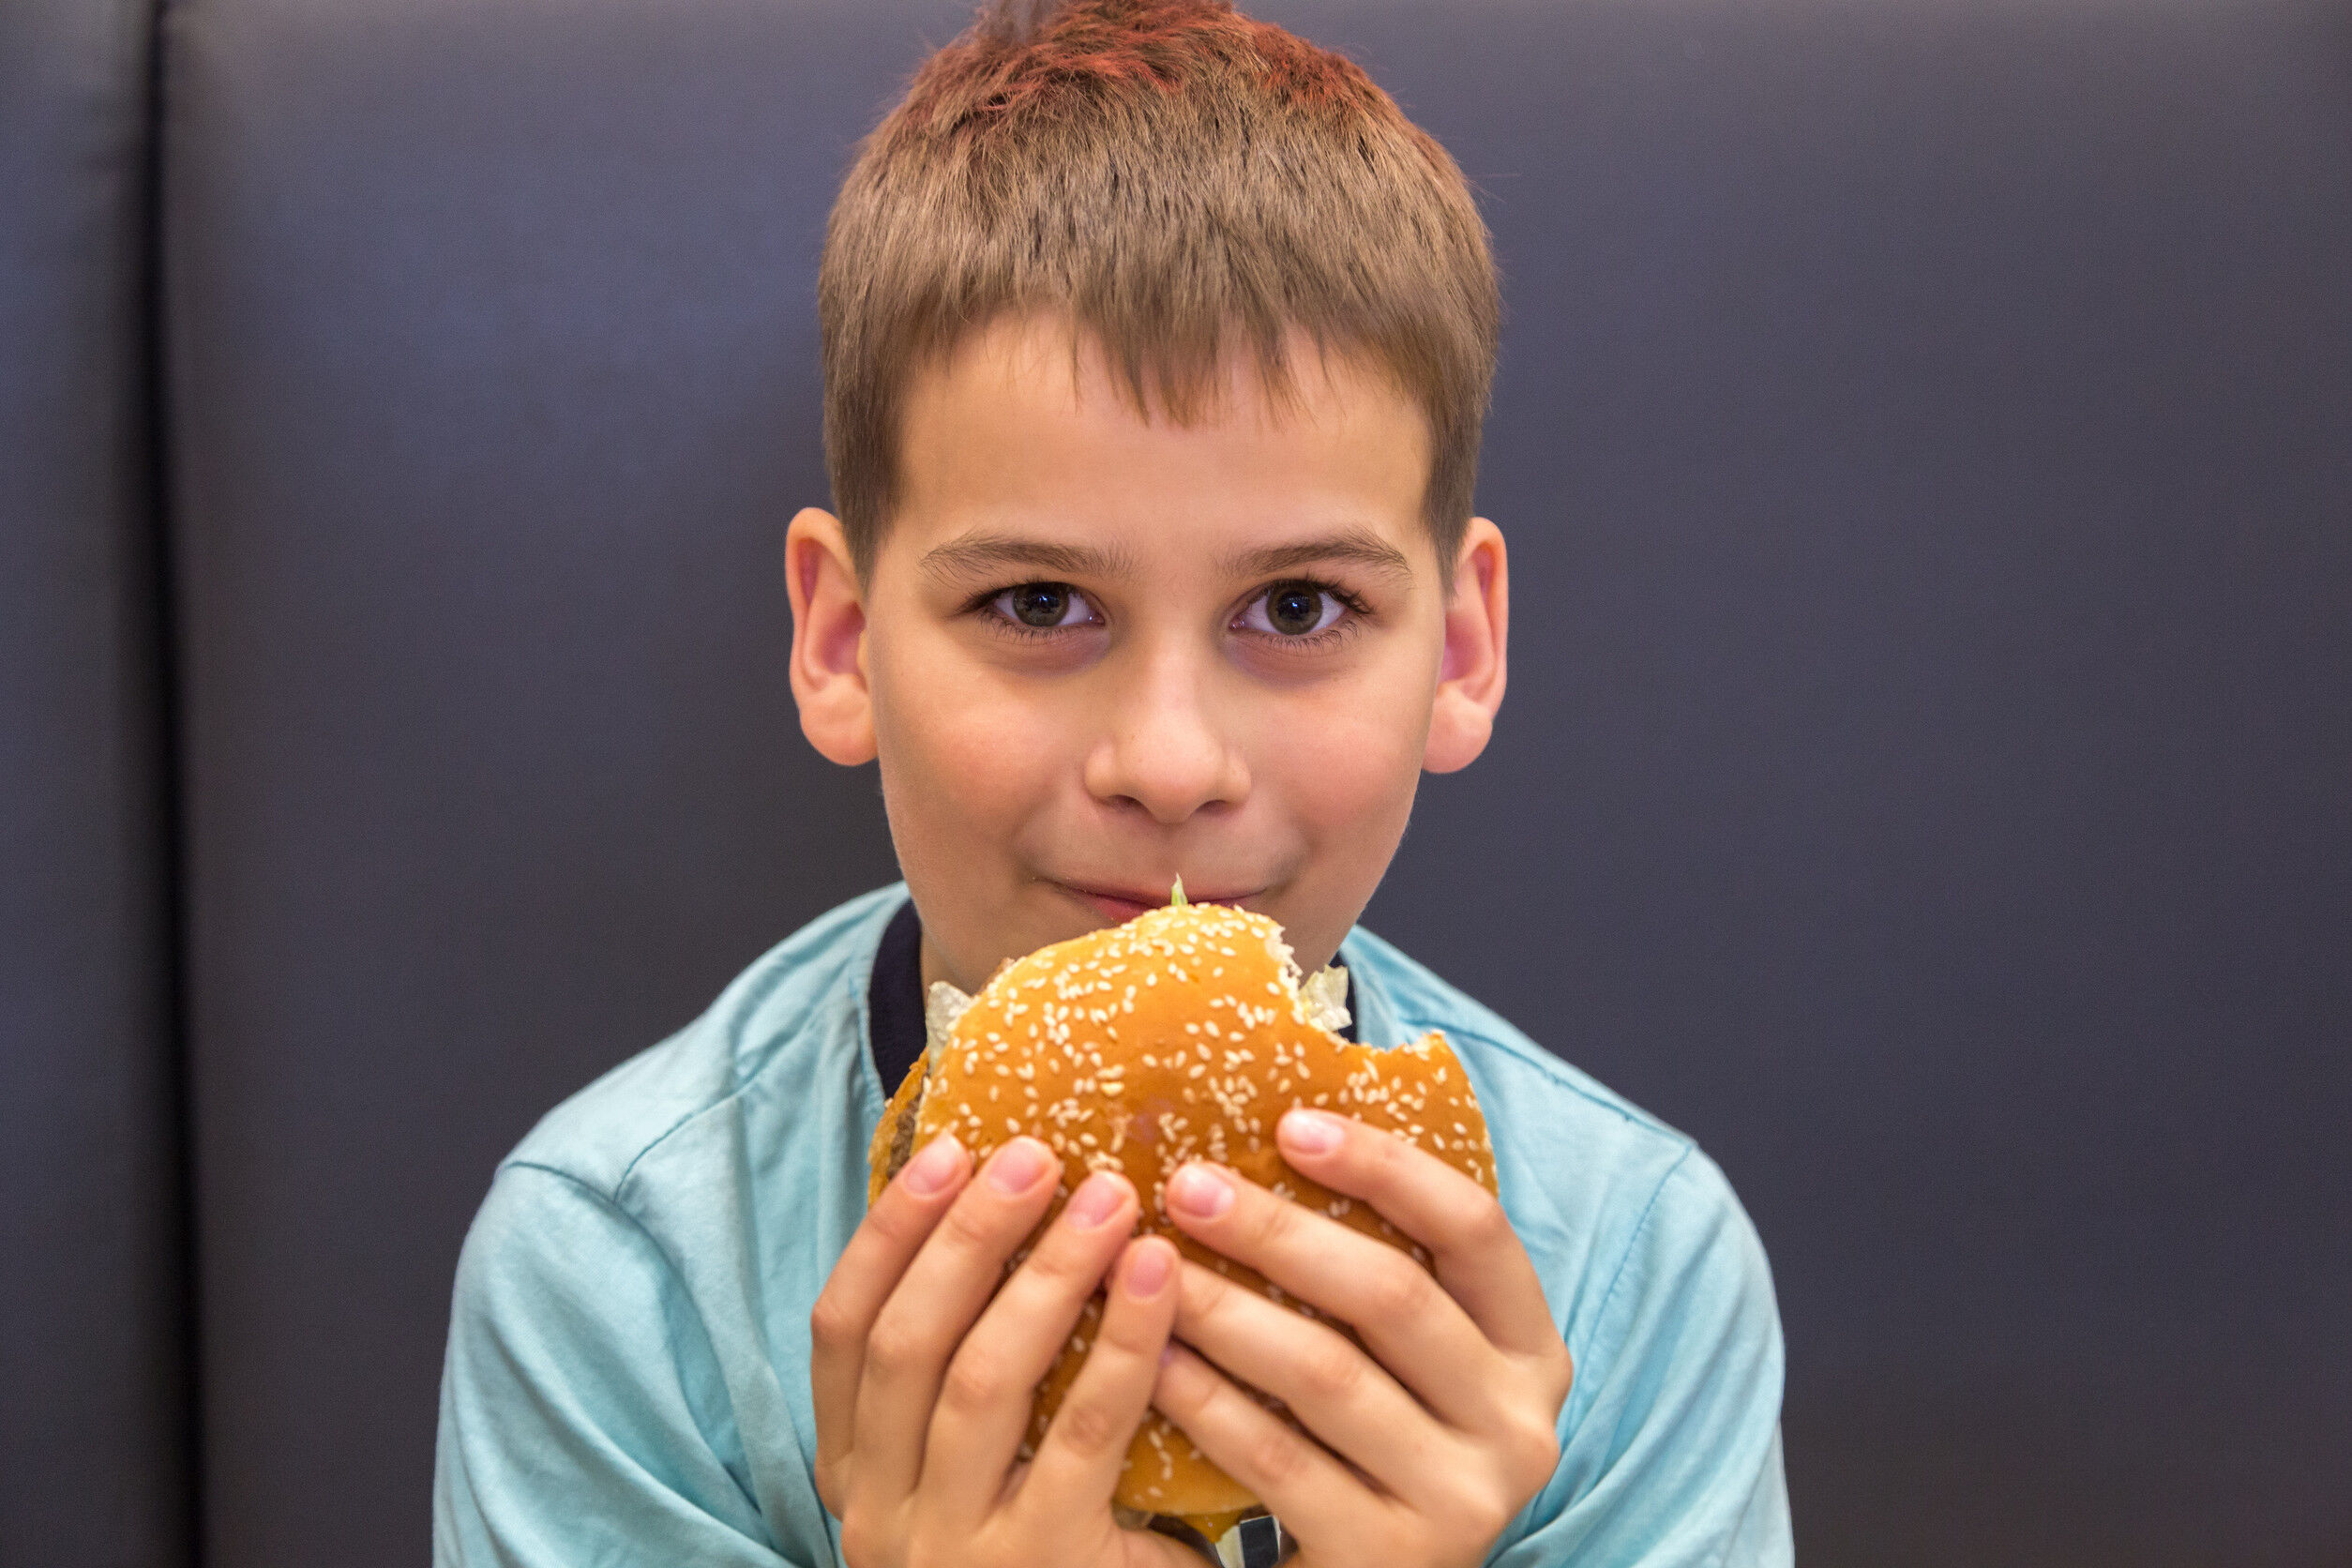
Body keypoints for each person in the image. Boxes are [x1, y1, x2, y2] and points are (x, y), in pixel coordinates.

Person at [432, 2, 1791, 1563]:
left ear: (1462, 650)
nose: (1166, 764)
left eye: (1296, 609)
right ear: (844, 640)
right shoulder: (620, 1280)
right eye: (1035, 605)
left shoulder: (1629, 1277)